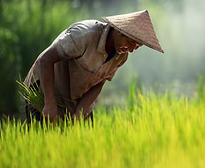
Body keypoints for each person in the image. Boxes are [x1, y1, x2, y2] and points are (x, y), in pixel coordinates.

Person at [24, 10, 164, 122]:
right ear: (119, 31)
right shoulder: (84, 35)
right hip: (45, 89)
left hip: (73, 98)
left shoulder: (121, 56)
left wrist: (80, 112)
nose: (132, 49)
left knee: (83, 144)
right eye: (130, 42)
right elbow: (45, 60)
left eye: (137, 47)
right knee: (45, 143)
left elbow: (100, 82)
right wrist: (49, 103)